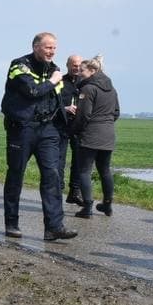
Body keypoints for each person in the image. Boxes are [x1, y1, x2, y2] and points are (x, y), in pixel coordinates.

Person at [1, 32, 77, 242]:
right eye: (48, 47)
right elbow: (32, 91)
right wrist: (53, 81)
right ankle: (12, 223)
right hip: (22, 129)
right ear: (36, 47)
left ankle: (54, 227)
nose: (52, 51)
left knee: (52, 175)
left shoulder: (55, 70)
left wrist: (64, 126)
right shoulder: (19, 65)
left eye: (54, 48)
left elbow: (57, 100)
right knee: (16, 175)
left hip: (47, 130)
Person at [66, 56, 120, 218]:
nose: (79, 73)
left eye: (82, 70)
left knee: (84, 171)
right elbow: (116, 113)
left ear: (93, 71)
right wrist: (106, 123)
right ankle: (107, 205)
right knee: (105, 171)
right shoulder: (112, 89)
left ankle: (87, 207)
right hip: (108, 134)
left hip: (90, 135)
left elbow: (83, 116)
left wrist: (73, 131)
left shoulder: (88, 89)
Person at [58, 54, 84, 205]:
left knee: (79, 160)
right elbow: (52, 102)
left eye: (79, 65)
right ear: (68, 65)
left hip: (78, 126)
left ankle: (75, 191)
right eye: (74, 65)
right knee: (59, 159)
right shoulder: (60, 81)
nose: (77, 67)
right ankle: (58, 191)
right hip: (62, 125)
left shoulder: (85, 83)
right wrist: (65, 108)